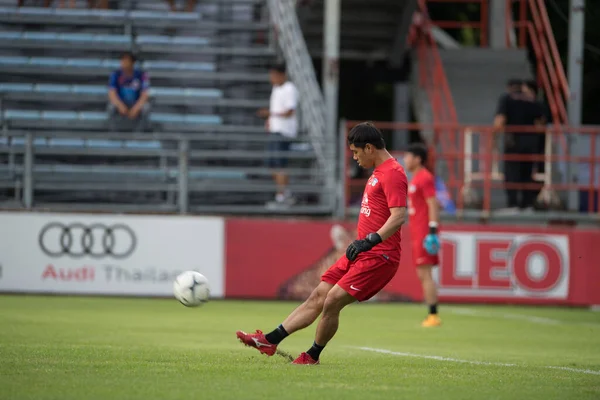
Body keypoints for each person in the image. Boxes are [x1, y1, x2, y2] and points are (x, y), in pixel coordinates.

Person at [236, 122, 408, 364]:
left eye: (356, 153)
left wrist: (370, 240)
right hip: (361, 251)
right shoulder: (379, 171)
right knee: (318, 295)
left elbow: (399, 216)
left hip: (380, 256)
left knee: (332, 300)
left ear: (369, 148)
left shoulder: (393, 173)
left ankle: (312, 356)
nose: (355, 158)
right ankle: (269, 340)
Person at [403, 144, 441, 327]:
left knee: (425, 273)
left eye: (408, 156)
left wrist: (432, 231)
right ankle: (432, 313)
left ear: (418, 158)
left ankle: (433, 315)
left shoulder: (424, 178)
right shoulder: (416, 179)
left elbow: (433, 204)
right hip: (418, 231)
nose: (405, 159)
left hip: (424, 232)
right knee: (422, 273)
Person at [494, 81, 545, 210]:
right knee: (527, 173)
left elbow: (500, 120)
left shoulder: (507, 99)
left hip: (513, 141)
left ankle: (513, 204)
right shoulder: (533, 101)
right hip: (531, 142)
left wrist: (493, 138)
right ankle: (527, 204)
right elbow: (540, 124)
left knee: (511, 173)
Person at [257, 64, 298, 207]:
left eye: (274, 75)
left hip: (284, 132)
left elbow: (289, 112)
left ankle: (282, 195)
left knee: (280, 164)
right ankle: (283, 193)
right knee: (272, 164)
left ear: (282, 75)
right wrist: (270, 120)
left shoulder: (289, 88)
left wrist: (270, 115)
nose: (271, 78)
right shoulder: (275, 89)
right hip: (275, 130)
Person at [107, 52, 150, 133]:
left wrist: (136, 108)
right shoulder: (116, 74)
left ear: (132, 63)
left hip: (135, 103)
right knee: (111, 107)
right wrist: (120, 106)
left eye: (126, 61)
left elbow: (145, 94)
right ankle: (114, 132)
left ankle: (140, 133)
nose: (124, 63)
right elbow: (112, 93)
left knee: (146, 108)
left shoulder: (141, 75)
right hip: (121, 102)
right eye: (122, 61)